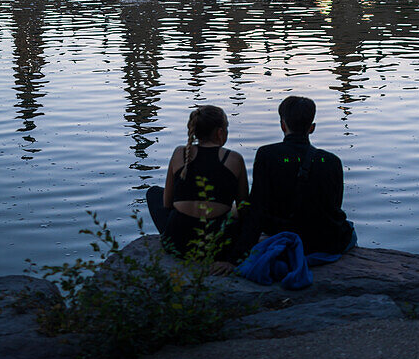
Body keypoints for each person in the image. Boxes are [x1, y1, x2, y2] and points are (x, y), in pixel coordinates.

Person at [250, 95, 354, 254]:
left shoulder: (266, 155)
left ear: (283, 125)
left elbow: (258, 205)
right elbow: (335, 205)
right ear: (312, 128)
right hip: (324, 239)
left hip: (281, 233)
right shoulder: (332, 161)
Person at [146, 105, 249, 260]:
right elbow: (244, 210)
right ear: (220, 132)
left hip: (177, 244)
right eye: (226, 127)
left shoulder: (179, 153)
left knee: (153, 193)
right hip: (216, 246)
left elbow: (167, 204)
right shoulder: (234, 159)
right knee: (235, 211)